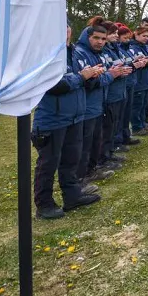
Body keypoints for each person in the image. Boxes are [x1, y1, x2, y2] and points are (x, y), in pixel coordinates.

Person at [31, 24, 101, 219]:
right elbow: (53, 85)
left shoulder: (76, 54)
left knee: (71, 160)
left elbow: (83, 80)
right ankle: (44, 205)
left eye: (66, 27)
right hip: (52, 119)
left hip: (76, 116)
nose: (64, 31)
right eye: (58, 26)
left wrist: (92, 75)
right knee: (48, 164)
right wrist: (81, 77)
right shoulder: (46, 55)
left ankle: (72, 196)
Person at [74, 23, 126, 184]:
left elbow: (100, 75)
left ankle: (92, 169)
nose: (100, 42)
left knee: (96, 139)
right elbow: (89, 82)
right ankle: (82, 176)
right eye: (96, 38)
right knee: (85, 143)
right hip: (87, 107)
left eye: (103, 39)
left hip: (98, 104)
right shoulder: (81, 54)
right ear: (86, 37)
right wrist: (111, 75)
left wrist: (109, 74)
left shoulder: (98, 54)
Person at [100, 22, 133, 167]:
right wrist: (115, 72)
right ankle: (104, 157)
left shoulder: (115, 49)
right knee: (107, 127)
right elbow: (106, 69)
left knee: (115, 123)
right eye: (112, 33)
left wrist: (125, 69)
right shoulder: (104, 51)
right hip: (111, 94)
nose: (115, 35)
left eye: (115, 33)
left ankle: (111, 151)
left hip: (120, 90)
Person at [117, 26, 144, 145]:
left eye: (129, 37)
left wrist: (136, 61)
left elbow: (128, 62)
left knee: (127, 112)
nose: (128, 40)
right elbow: (121, 66)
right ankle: (119, 140)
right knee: (121, 114)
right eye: (125, 38)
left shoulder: (127, 49)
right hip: (123, 84)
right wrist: (133, 65)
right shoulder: (118, 49)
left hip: (130, 82)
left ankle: (126, 136)